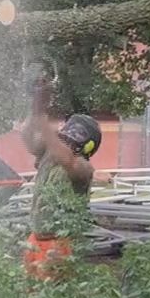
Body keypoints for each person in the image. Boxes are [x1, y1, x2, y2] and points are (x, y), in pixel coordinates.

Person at [20, 76, 98, 280]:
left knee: (53, 297)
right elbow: (28, 139)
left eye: (78, 132)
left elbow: (67, 159)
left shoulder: (83, 168)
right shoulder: (48, 152)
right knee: (30, 294)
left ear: (88, 144)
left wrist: (42, 121)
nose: (70, 133)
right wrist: (37, 108)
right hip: (36, 237)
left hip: (60, 242)